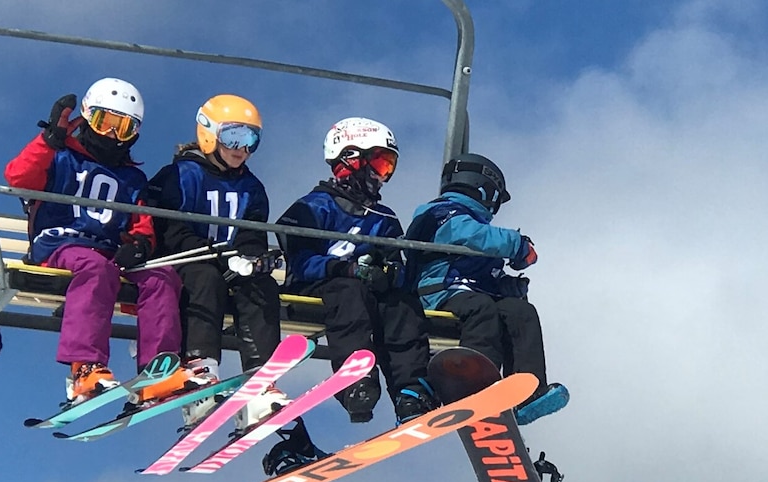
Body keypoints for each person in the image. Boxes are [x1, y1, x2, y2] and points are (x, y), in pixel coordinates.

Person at [4, 77, 183, 405]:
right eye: (105, 123)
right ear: (87, 117)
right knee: (96, 268)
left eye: (123, 128)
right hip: (60, 243)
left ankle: (156, 372)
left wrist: (140, 245)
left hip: (108, 252)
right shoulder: (63, 156)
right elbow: (18, 178)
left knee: (162, 277)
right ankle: (85, 367)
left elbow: (141, 223)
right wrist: (48, 142)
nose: (112, 135)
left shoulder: (132, 178)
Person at [276, 117, 436, 425]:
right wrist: (345, 269)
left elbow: (396, 262)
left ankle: (411, 390)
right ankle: (356, 381)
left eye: (388, 166)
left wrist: (389, 274)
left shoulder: (383, 218)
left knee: (400, 301)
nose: (381, 175)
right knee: (349, 291)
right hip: (319, 285)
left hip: (366, 289)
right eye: (378, 163)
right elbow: (300, 260)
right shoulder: (313, 207)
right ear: (349, 159)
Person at [147, 94, 286, 429]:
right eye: (233, 137)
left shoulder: (251, 187)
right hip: (185, 261)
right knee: (204, 279)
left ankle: (260, 382)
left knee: (260, 286)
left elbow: (252, 232)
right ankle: (199, 370)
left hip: (230, 265)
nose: (242, 149)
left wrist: (254, 257)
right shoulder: (179, 175)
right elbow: (166, 226)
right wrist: (209, 251)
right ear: (209, 133)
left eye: (251, 140)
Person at [404, 152, 569, 425]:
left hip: (470, 294)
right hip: (438, 293)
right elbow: (469, 235)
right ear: (484, 190)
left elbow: (483, 271)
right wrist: (517, 244)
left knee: (519, 312)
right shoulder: (440, 213)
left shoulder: (473, 226)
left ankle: (527, 389)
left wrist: (508, 286)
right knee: (481, 310)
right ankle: (475, 381)